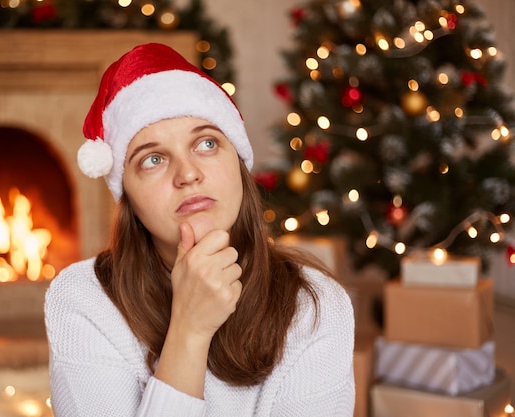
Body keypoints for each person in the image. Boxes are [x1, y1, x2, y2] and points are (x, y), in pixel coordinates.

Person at [44, 42, 355, 417]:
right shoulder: (83, 299)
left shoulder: (316, 305)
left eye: (207, 143)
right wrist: (188, 332)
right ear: (127, 194)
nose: (188, 174)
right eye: (153, 159)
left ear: (237, 163)